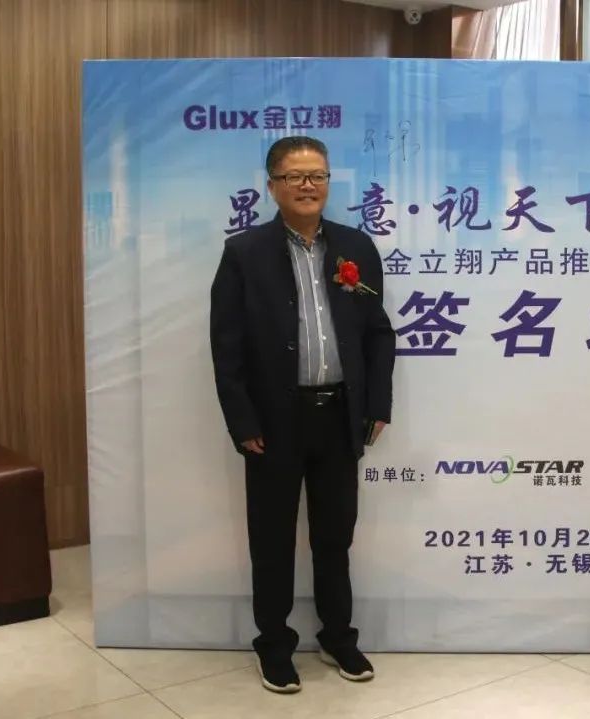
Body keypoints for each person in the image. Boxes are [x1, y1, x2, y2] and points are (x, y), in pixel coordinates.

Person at [209, 136, 396, 693]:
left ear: (328, 183)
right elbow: (226, 347)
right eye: (294, 176)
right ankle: (274, 644)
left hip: (339, 415)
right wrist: (243, 422)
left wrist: (377, 404)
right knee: (271, 541)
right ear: (272, 186)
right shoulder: (244, 253)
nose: (308, 185)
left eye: (317, 175)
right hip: (274, 422)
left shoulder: (356, 248)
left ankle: (338, 636)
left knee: (335, 537)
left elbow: (378, 333)